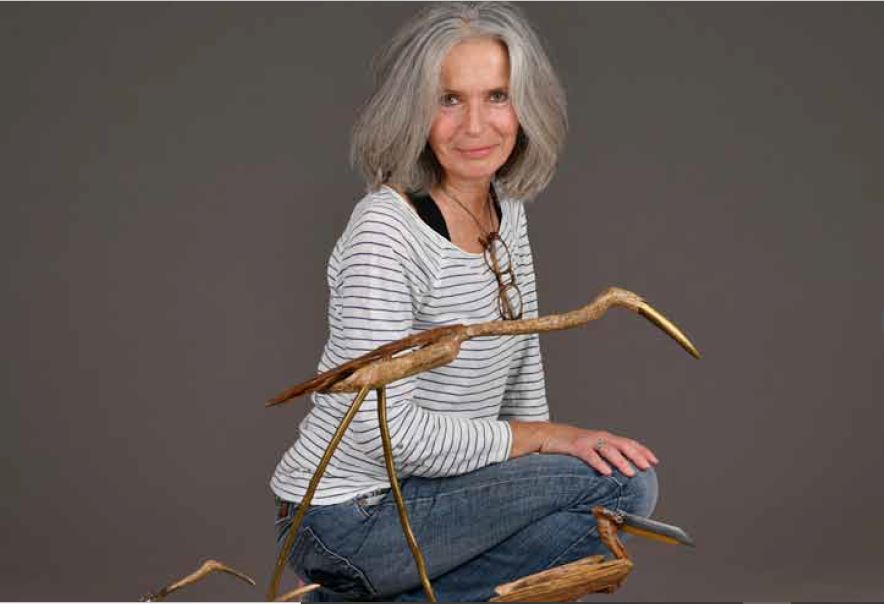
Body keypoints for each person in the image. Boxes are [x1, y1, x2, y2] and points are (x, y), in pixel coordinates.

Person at [271, 3, 659, 601]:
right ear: (414, 111)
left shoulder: (506, 207)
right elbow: (386, 436)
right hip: (348, 515)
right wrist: (543, 439)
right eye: (448, 99)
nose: (475, 126)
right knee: (624, 488)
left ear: (525, 105)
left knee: (601, 506)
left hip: (438, 493)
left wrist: (543, 452)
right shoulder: (385, 230)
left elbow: (523, 366)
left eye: (496, 97)